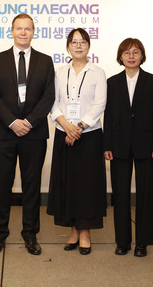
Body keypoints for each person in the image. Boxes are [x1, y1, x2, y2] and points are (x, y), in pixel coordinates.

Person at [0, 13, 55, 256]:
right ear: (12, 31)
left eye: (28, 29)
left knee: (32, 187)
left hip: (34, 134)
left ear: (33, 32)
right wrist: (13, 122)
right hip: (5, 133)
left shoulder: (45, 61)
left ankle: (30, 234)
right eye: (19, 28)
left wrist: (28, 121)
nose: (23, 32)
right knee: (1, 186)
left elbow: (49, 96)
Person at [47, 28, 107, 256]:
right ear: (68, 46)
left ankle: (85, 233)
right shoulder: (60, 72)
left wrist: (79, 127)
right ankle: (73, 231)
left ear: (89, 46)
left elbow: (99, 105)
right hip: (64, 133)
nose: (78, 45)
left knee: (87, 187)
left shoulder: (98, 72)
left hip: (89, 136)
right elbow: (53, 103)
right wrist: (67, 126)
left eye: (83, 42)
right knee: (68, 185)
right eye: (74, 42)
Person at [103, 38, 153, 257]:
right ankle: (123, 241)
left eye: (135, 52)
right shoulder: (111, 82)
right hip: (118, 146)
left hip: (147, 147)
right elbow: (107, 116)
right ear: (120, 57)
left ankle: (142, 242)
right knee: (120, 195)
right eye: (126, 52)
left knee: (146, 195)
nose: (131, 56)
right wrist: (106, 144)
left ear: (142, 56)